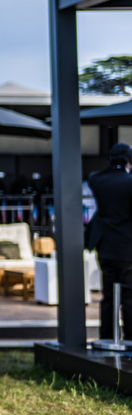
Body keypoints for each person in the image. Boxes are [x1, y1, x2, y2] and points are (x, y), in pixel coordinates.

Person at [86, 142, 132, 340]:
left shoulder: (98, 180)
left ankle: (106, 337)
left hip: (104, 245)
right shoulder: (128, 182)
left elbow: (96, 175)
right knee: (129, 297)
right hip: (127, 246)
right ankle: (130, 339)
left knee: (108, 297)